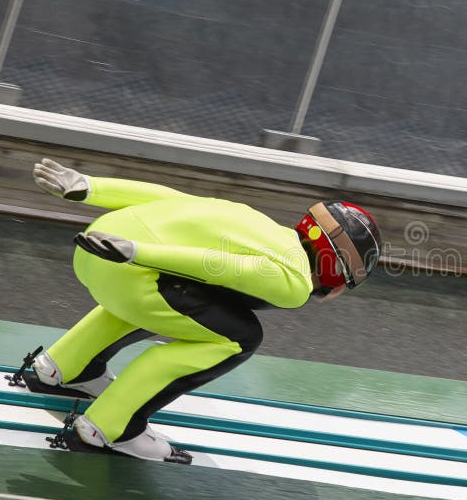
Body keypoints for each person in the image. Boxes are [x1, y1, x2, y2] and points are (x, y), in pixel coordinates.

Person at [29, 158, 382, 462]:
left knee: (181, 304)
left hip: (99, 246)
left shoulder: (257, 222)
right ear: (338, 271)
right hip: (125, 263)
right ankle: (111, 426)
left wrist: (89, 187)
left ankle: (66, 366)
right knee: (238, 337)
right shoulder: (294, 283)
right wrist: (138, 252)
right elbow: (220, 266)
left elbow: (173, 199)